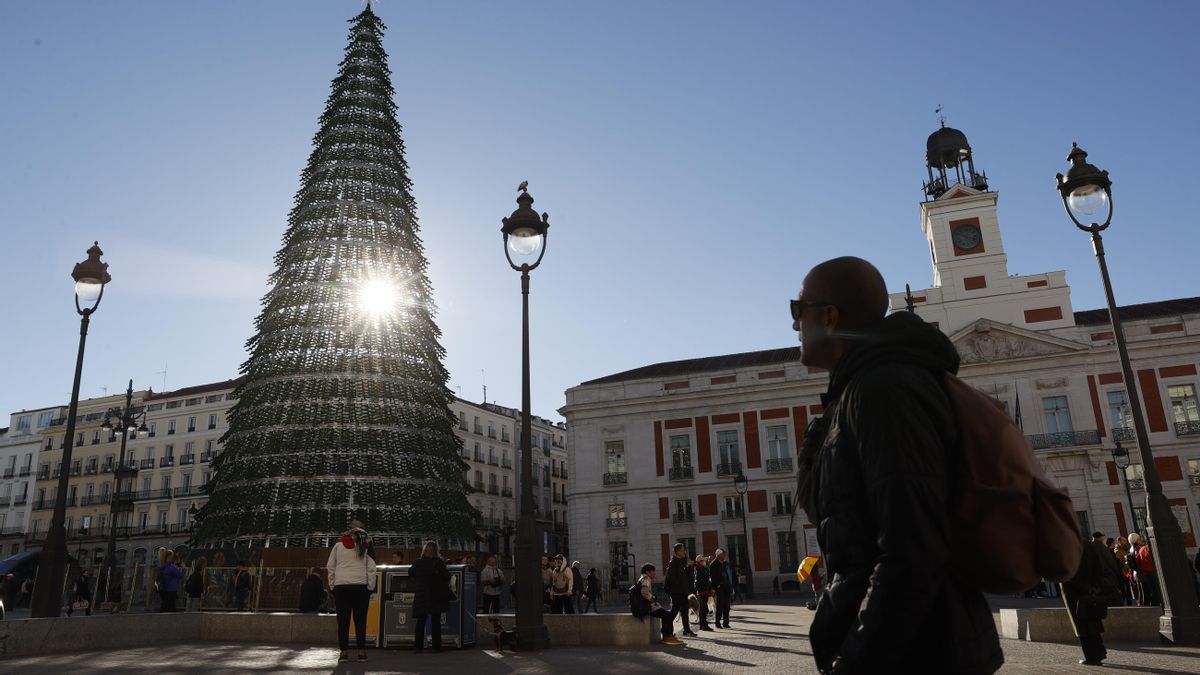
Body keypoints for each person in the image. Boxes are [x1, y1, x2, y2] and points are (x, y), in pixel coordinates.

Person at [793, 257, 1003, 674]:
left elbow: (912, 549)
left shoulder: (883, 390)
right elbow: (825, 508)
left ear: (829, 316)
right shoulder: (859, 391)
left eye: (799, 311)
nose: (795, 325)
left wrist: (856, 662)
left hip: (921, 653)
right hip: (919, 646)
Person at [1063, 538, 1121, 666]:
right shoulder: (1088, 545)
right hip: (1092, 590)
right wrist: (1095, 586)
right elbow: (1098, 567)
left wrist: (1083, 587)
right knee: (1093, 621)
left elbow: (1068, 572)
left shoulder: (1067, 546)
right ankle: (1099, 652)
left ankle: (1092, 656)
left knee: (1082, 625)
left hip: (1075, 593)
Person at [327, 521, 377, 662]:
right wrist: (370, 587)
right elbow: (372, 568)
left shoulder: (338, 545)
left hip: (341, 587)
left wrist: (332, 586)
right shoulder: (367, 544)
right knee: (360, 621)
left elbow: (330, 566)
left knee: (343, 622)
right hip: (360, 587)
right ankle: (361, 653)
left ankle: (343, 653)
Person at [410, 540, 451, 654]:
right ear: (436, 551)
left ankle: (418, 647)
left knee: (421, 622)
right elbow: (447, 577)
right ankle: (436, 647)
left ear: (424, 550)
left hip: (422, 595)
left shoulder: (418, 562)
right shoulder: (438, 562)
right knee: (435, 621)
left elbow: (411, 572)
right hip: (435, 595)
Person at [633, 563, 682, 645]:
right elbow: (645, 593)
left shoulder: (644, 578)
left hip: (645, 606)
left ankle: (667, 635)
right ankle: (668, 636)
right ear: (647, 572)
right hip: (647, 608)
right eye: (653, 571)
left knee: (665, 614)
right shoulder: (645, 579)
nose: (654, 573)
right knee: (667, 615)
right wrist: (653, 599)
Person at [665, 543, 696, 637]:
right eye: (683, 550)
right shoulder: (673, 562)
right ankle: (666, 630)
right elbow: (671, 577)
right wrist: (678, 585)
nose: (685, 552)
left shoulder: (680, 561)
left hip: (683, 591)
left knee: (685, 612)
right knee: (674, 611)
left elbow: (684, 575)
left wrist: (690, 567)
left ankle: (686, 630)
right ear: (678, 551)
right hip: (677, 592)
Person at [1090, 532, 1124, 608]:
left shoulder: (1090, 547)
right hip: (1107, 574)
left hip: (1096, 576)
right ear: (1099, 538)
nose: (1103, 538)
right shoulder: (1102, 547)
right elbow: (1110, 561)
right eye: (1102, 537)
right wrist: (1116, 572)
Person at [1130, 533, 1160, 606]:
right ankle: (1148, 607)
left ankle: (1144, 607)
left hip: (1139, 574)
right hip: (1145, 573)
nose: (1140, 540)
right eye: (1139, 538)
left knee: (1143, 593)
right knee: (1149, 592)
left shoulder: (1133, 549)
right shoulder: (1139, 548)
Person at [709, 548, 731, 629]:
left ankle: (726, 623)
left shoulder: (725, 563)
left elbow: (727, 575)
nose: (725, 556)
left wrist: (729, 585)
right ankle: (717, 623)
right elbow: (712, 577)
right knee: (720, 606)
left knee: (727, 606)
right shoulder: (713, 564)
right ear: (719, 555)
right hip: (719, 587)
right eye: (723, 554)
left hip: (726, 586)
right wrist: (716, 586)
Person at [693, 555, 713, 630]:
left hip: (705, 591)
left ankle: (703, 625)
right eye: (703, 561)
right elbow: (698, 582)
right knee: (703, 609)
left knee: (704, 609)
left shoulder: (703, 569)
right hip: (703, 591)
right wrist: (707, 585)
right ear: (700, 562)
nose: (705, 562)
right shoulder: (699, 570)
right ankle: (704, 625)